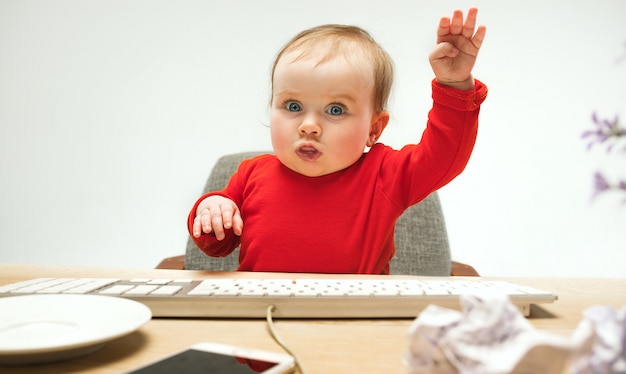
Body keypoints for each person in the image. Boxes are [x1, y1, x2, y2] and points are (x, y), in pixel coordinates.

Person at [188, 8, 487, 274]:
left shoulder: (385, 175)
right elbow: (216, 246)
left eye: (335, 110)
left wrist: (454, 86)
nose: (309, 126)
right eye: (293, 106)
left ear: (373, 129)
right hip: (263, 313)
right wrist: (211, 211)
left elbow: (443, 157)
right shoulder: (250, 174)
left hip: (358, 320)